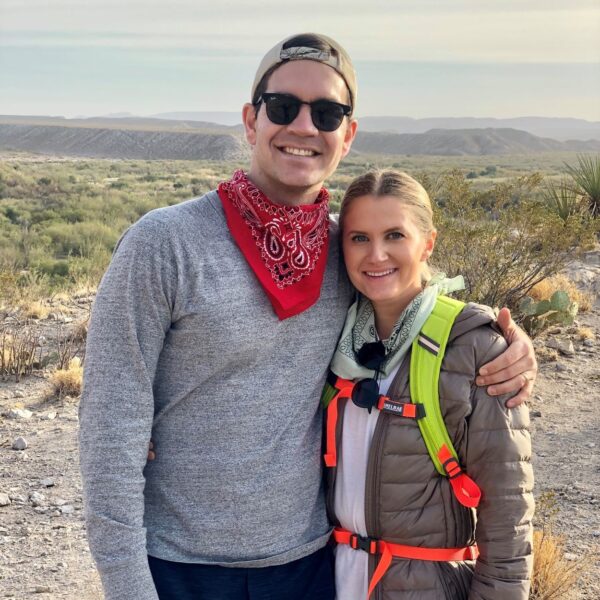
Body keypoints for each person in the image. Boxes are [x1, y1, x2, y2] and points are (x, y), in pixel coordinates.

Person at [79, 33, 537, 600]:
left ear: (348, 134)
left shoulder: (348, 251)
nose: (303, 127)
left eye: (326, 113)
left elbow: (417, 298)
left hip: (311, 565)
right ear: (251, 120)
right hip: (177, 567)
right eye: (282, 107)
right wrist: (127, 585)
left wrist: (505, 343)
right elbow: (110, 427)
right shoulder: (164, 244)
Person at [323, 170, 533, 600]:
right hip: (327, 579)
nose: (376, 255)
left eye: (395, 235)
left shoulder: (473, 347)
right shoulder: (329, 334)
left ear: (428, 243)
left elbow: (508, 511)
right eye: (359, 238)